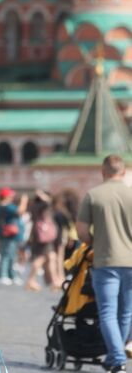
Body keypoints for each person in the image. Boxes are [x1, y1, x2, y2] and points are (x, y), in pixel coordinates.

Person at [76, 154, 132, 373]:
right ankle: (116, 353)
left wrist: (95, 241)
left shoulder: (93, 195)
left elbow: (81, 231)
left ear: (103, 171)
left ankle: (117, 357)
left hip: (105, 260)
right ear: (124, 172)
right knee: (126, 312)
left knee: (107, 311)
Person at [0, 187, 28, 285]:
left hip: (7, 234)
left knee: (11, 255)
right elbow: (21, 211)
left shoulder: (0, 207)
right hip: (9, 234)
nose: (13, 197)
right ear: (6, 197)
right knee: (7, 254)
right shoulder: (7, 206)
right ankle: (3, 275)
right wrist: (24, 201)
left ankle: (11, 275)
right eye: (11, 195)